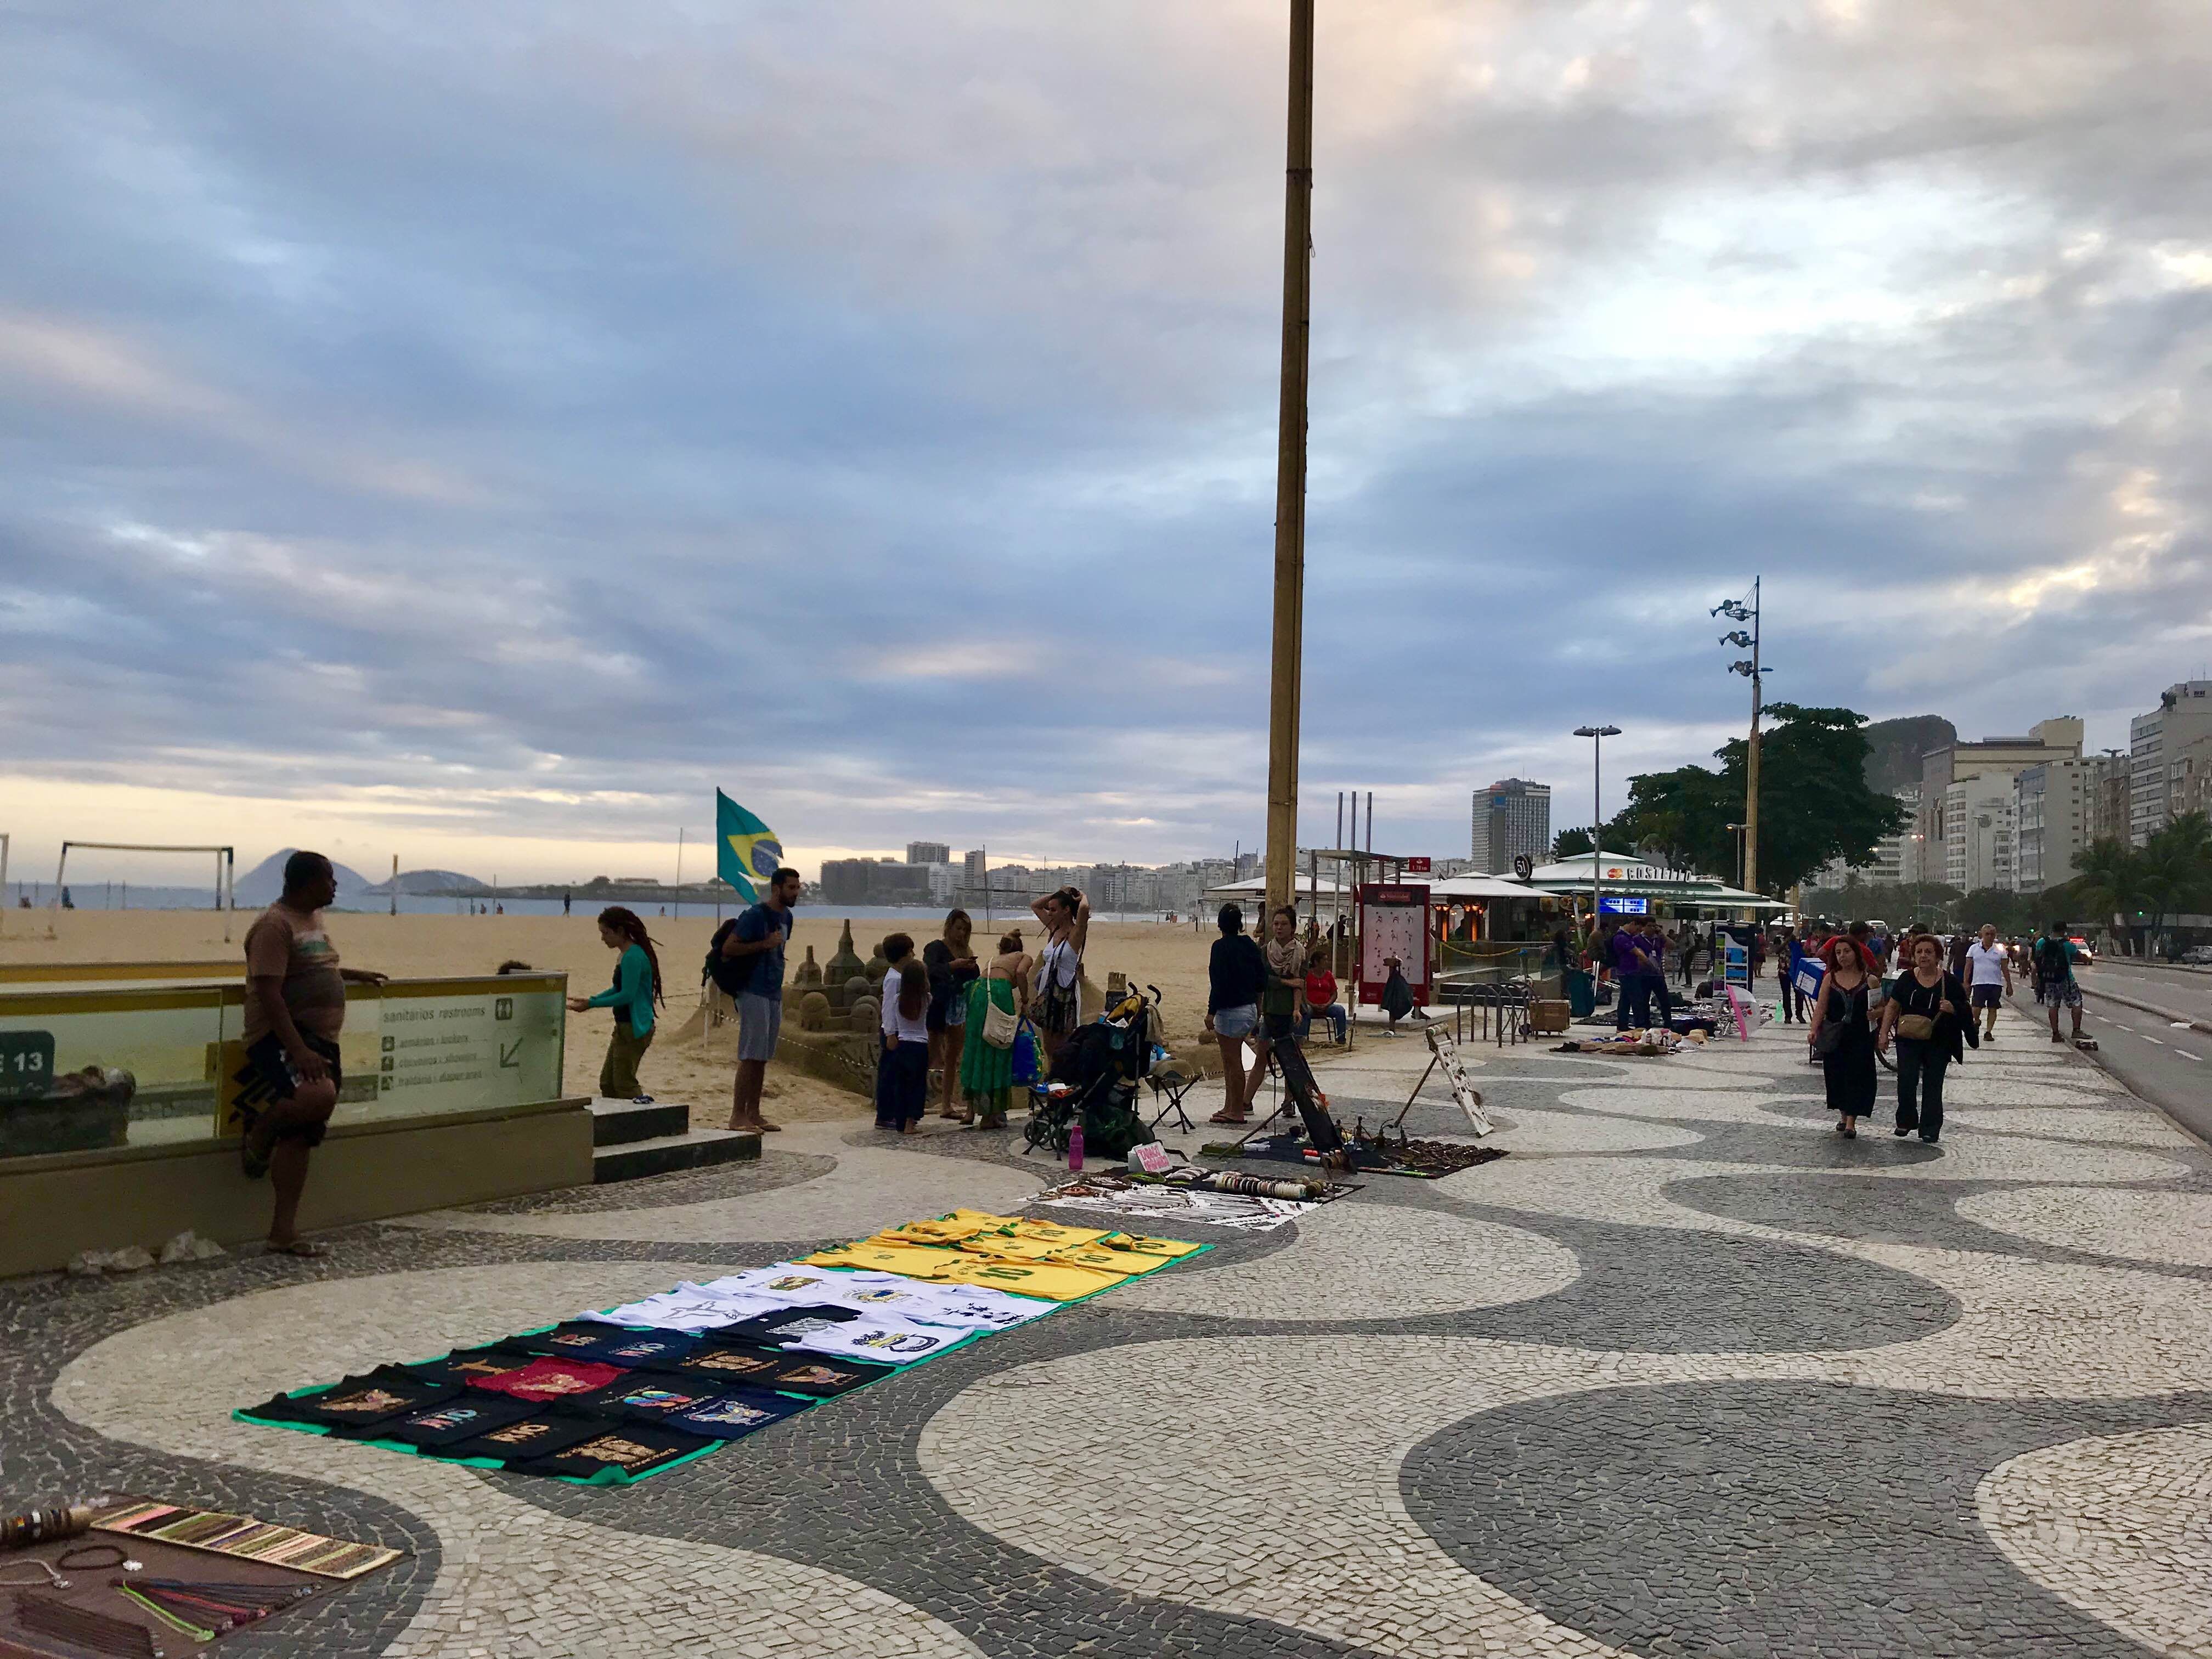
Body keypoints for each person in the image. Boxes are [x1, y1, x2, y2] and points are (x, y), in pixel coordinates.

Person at [234, 851, 387, 1256]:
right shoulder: (273, 926)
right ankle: (260, 1131)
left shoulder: (313, 921)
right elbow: (269, 992)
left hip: (322, 1041)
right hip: (282, 1040)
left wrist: (351, 975)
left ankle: (282, 1232)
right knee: (317, 1097)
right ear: (307, 883)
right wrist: (298, 1049)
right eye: (329, 879)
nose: (335, 886)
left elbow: (314, 967)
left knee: (302, 1135)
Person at [718, 866, 800, 1133]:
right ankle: (737, 1115)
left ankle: (754, 1112)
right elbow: (729, 948)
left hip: (773, 991)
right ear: (777, 889)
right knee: (750, 1054)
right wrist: (762, 944)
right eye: (791, 888)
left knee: (763, 1056)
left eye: (798, 888)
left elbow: (780, 951)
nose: (796, 892)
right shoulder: (755, 915)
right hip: (752, 989)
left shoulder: (787, 917)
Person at [1878, 932, 1978, 1143]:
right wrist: (1883, 1033)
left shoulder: (1949, 982)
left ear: (1938, 956)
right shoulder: (1906, 979)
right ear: (1914, 955)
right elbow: (1893, 1006)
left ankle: (1930, 1127)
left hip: (1939, 1041)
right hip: (1908, 1039)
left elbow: (1965, 1009)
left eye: (1929, 952)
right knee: (1906, 1079)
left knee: (1933, 1084)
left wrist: (1953, 1008)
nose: (1924, 956)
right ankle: (1906, 1120)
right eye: (1920, 952)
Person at [567, 907, 663, 1102]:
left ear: (620, 932)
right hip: (624, 1026)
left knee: (624, 1083)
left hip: (635, 1027)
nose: (603, 938)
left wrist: (592, 1005)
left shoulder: (633, 956)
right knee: (608, 1083)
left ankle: (643, 1119)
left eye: (606, 933)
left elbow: (627, 995)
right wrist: (592, 1000)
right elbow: (617, 988)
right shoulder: (626, 954)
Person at [1203, 904, 1268, 1125]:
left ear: (1220, 924)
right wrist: (1258, 1005)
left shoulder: (1220, 947)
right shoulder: (1249, 945)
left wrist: (1211, 1012)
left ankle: (1236, 1110)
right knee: (1231, 1060)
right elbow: (1262, 979)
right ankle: (1230, 1105)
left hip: (1230, 1010)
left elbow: (1218, 982)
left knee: (1232, 1061)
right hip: (1249, 1007)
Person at [1807, 933, 1876, 1136]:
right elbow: (1821, 1006)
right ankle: (1844, 1114)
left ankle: (1851, 1123)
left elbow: (1881, 1007)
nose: (1843, 956)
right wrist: (1814, 1029)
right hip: (1836, 1035)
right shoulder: (1831, 978)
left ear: (1856, 953)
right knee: (1837, 1076)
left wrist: (1877, 1017)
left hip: (1861, 1036)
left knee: (1857, 1076)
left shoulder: (1870, 980)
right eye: (1838, 953)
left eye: (1847, 951)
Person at [961, 930, 1031, 1128]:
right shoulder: (1023, 957)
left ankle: (969, 1111)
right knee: (997, 1046)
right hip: (999, 994)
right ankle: (989, 1116)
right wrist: (1025, 1000)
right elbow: (1021, 973)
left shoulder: (994, 960)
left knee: (976, 1048)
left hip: (978, 991)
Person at [923, 910, 980, 1120]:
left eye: (965, 930)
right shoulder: (936, 948)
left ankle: (946, 1104)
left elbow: (973, 977)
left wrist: (969, 966)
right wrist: (952, 966)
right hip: (939, 1004)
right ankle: (916, 1101)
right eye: (958, 929)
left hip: (958, 1004)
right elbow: (930, 970)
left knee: (953, 1057)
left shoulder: (965, 950)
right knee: (931, 1055)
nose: (961, 934)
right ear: (949, 927)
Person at [1030, 886, 1090, 1068]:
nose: (1050, 912)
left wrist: (1082, 896)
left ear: (1066, 911)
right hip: (1047, 993)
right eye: (1050, 909)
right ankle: (1052, 1076)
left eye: (1054, 909)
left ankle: (1061, 1077)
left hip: (1065, 994)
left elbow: (1084, 910)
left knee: (1063, 1045)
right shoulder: (1053, 928)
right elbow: (1035, 906)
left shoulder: (1075, 933)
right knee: (1048, 1046)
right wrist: (1058, 892)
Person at [876, 944, 931, 1133]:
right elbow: (888, 1012)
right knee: (907, 1082)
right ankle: (898, 1118)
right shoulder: (922, 996)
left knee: (900, 1081)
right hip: (909, 1041)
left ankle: (897, 1118)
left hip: (903, 1041)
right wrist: (890, 1033)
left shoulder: (899, 994)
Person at [2030, 919, 2086, 1045]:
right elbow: (2079, 956)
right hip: (2066, 978)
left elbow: (2038, 957)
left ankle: (2055, 1034)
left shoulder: (2041, 942)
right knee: (2077, 1002)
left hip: (2049, 978)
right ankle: (2076, 1030)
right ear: (2064, 931)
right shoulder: (2068, 945)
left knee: (2053, 1005)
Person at [1261, 904, 1306, 1049]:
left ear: (1293, 928)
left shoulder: (1300, 952)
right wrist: (1288, 982)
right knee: (1262, 1053)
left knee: (1291, 1056)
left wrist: (1297, 1009)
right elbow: (1263, 980)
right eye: (1276, 924)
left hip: (1291, 1012)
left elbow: (1300, 982)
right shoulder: (1265, 951)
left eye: (1284, 924)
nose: (1279, 928)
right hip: (1270, 1009)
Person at [1965, 923, 2012, 1042]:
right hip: (1979, 983)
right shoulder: (1974, 949)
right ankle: (1976, 1021)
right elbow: (1968, 966)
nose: (1990, 937)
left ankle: (1988, 1032)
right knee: (1976, 1007)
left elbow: (2005, 969)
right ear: (1982, 935)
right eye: (1987, 934)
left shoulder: (2000, 950)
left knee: (1993, 1008)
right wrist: (1966, 982)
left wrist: (2009, 985)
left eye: (1992, 934)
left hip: (1995, 984)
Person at [1300, 947, 1347, 1045]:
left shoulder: (1329, 975)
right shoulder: (1308, 975)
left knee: (1340, 1010)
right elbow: (1302, 994)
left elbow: (1334, 993)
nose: (1326, 962)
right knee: (1306, 1010)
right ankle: (1303, 1038)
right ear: (1317, 962)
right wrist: (1312, 1004)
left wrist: (1328, 1004)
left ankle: (1341, 1038)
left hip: (1326, 1005)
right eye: (1324, 960)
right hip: (1311, 1005)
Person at [1779, 927, 1808, 1023]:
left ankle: (1799, 1014)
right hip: (1784, 971)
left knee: (1799, 993)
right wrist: (1787, 941)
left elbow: (1802, 953)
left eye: (1789, 929)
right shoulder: (1779, 939)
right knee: (1786, 994)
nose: (1785, 931)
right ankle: (1788, 1016)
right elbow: (1777, 950)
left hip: (1796, 970)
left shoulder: (1797, 940)